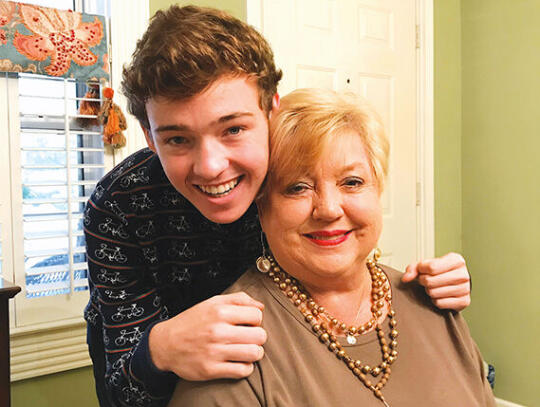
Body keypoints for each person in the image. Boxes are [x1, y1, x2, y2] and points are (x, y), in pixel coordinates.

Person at [83, 5, 472, 407]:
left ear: (271, 111)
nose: (212, 167)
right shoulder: (117, 206)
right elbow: (120, 389)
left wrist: (437, 287)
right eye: (177, 139)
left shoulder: (292, 158)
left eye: (233, 129)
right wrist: (158, 350)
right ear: (149, 136)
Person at [169, 88, 495, 406]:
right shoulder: (231, 343)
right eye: (298, 187)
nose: (328, 209)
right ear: (261, 207)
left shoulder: (433, 301)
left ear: (377, 189)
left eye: (352, 182)